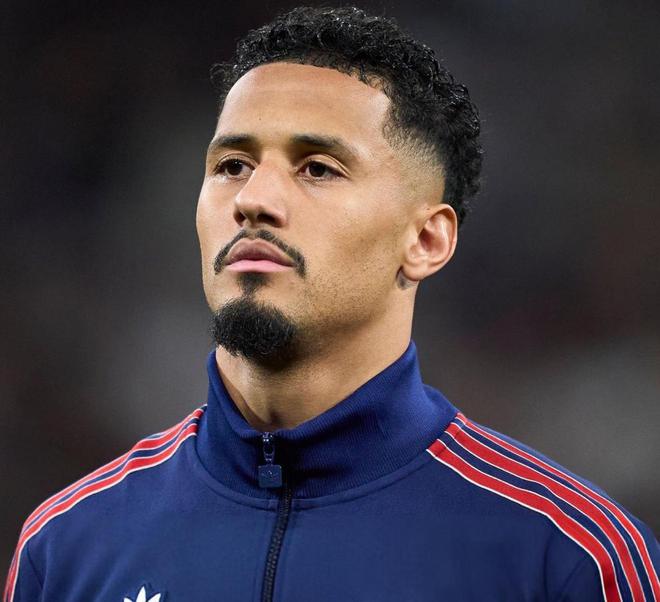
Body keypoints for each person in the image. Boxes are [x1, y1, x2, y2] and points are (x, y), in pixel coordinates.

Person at [4, 6, 658, 602]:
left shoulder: (567, 560)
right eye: (232, 165)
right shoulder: (64, 548)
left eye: (317, 167)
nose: (253, 200)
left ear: (426, 241)